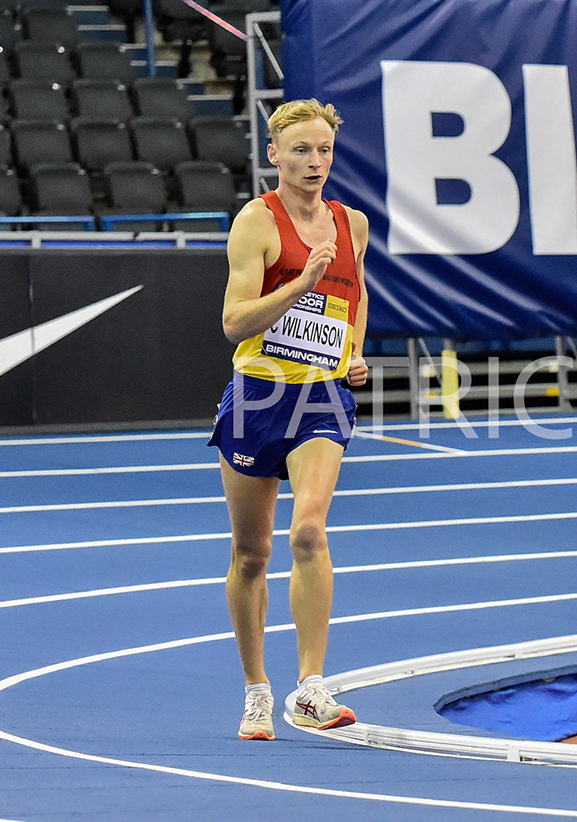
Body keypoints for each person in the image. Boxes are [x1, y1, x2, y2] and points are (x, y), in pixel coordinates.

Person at [210, 99, 371, 741]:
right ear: (274, 154)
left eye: (323, 150)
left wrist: (353, 351)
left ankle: (310, 687)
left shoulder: (351, 223)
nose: (314, 161)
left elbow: (356, 297)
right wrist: (298, 284)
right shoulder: (256, 222)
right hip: (258, 395)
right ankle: (256, 690)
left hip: (322, 397)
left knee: (309, 532)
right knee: (252, 553)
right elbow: (233, 323)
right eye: (301, 150)